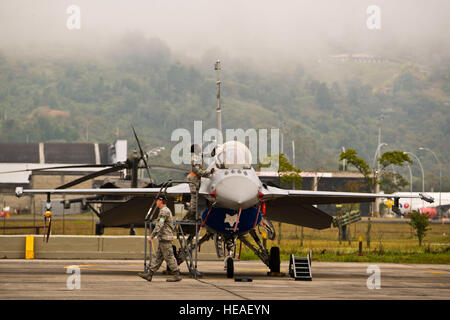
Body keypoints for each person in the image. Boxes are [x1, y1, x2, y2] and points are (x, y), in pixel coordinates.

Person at [138, 195, 181, 282]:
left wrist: (151, 236)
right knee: (157, 257)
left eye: (157, 200)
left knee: (169, 257)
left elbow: (160, 224)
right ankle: (149, 274)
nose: (156, 202)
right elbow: (161, 222)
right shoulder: (163, 211)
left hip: (165, 238)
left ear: (161, 201)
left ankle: (177, 274)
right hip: (163, 238)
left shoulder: (164, 211)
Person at [183, 144, 214, 220]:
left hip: (196, 178)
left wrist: (213, 153)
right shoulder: (195, 158)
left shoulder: (198, 155)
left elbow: (206, 155)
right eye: (198, 147)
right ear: (196, 149)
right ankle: (190, 216)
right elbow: (198, 172)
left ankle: (191, 215)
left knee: (195, 199)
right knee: (194, 199)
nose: (200, 148)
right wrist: (209, 172)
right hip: (193, 178)